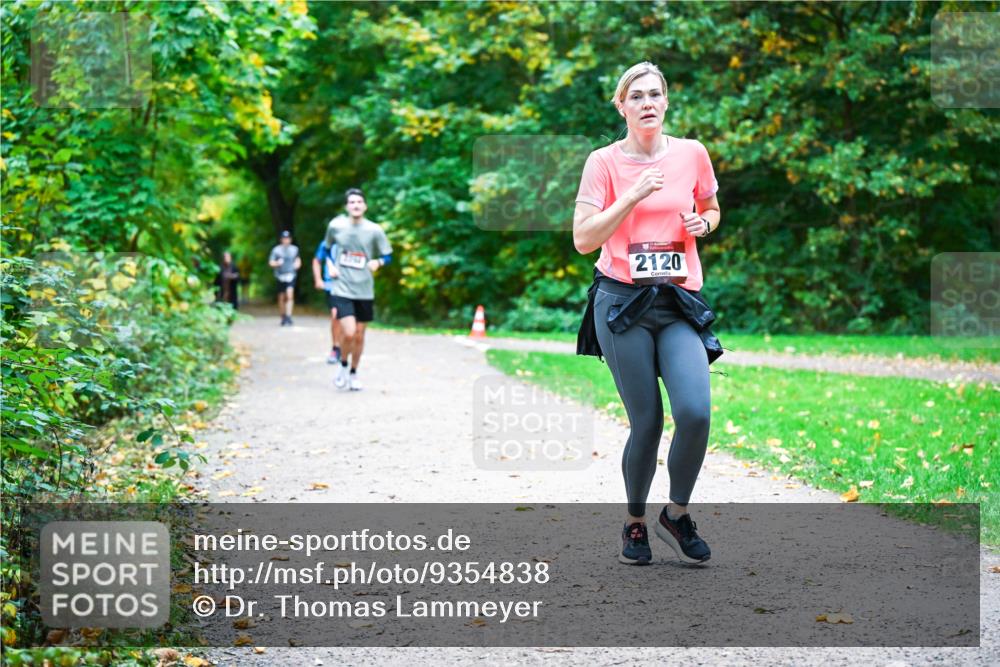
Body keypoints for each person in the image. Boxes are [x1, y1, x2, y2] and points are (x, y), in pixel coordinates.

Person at [573, 61, 722, 566]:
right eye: (636, 96)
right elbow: (582, 239)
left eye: (655, 94)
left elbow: (711, 207)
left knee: (696, 412)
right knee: (648, 421)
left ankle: (675, 515)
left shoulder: (692, 153)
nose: (647, 103)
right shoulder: (604, 162)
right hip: (621, 305)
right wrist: (632, 196)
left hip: (677, 300)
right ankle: (635, 523)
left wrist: (704, 223)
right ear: (622, 106)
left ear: (666, 100)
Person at [323, 188, 392, 391]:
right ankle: (342, 366)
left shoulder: (374, 230)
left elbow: (388, 255)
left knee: (360, 335)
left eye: (359, 202)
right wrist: (330, 265)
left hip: (364, 290)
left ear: (365, 206)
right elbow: (326, 249)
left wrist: (378, 262)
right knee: (350, 332)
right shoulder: (336, 226)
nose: (355, 205)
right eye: (351, 202)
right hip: (342, 288)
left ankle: (353, 372)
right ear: (346, 206)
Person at [312, 236, 343, 364]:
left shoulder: (354, 240)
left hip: (351, 284)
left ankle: (346, 346)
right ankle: (336, 348)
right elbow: (317, 260)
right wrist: (318, 279)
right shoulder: (326, 243)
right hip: (332, 285)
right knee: (336, 315)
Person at [268, 230, 301, 326]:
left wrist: (297, 265)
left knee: (290, 295)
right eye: (284, 238)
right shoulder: (276, 250)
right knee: (282, 297)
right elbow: (271, 262)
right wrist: (277, 263)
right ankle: (283, 316)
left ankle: (289, 315)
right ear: (281, 239)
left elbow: (298, 260)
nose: (286, 240)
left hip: (291, 275)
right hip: (280, 276)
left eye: (288, 238)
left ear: (290, 239)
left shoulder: (295, 249)